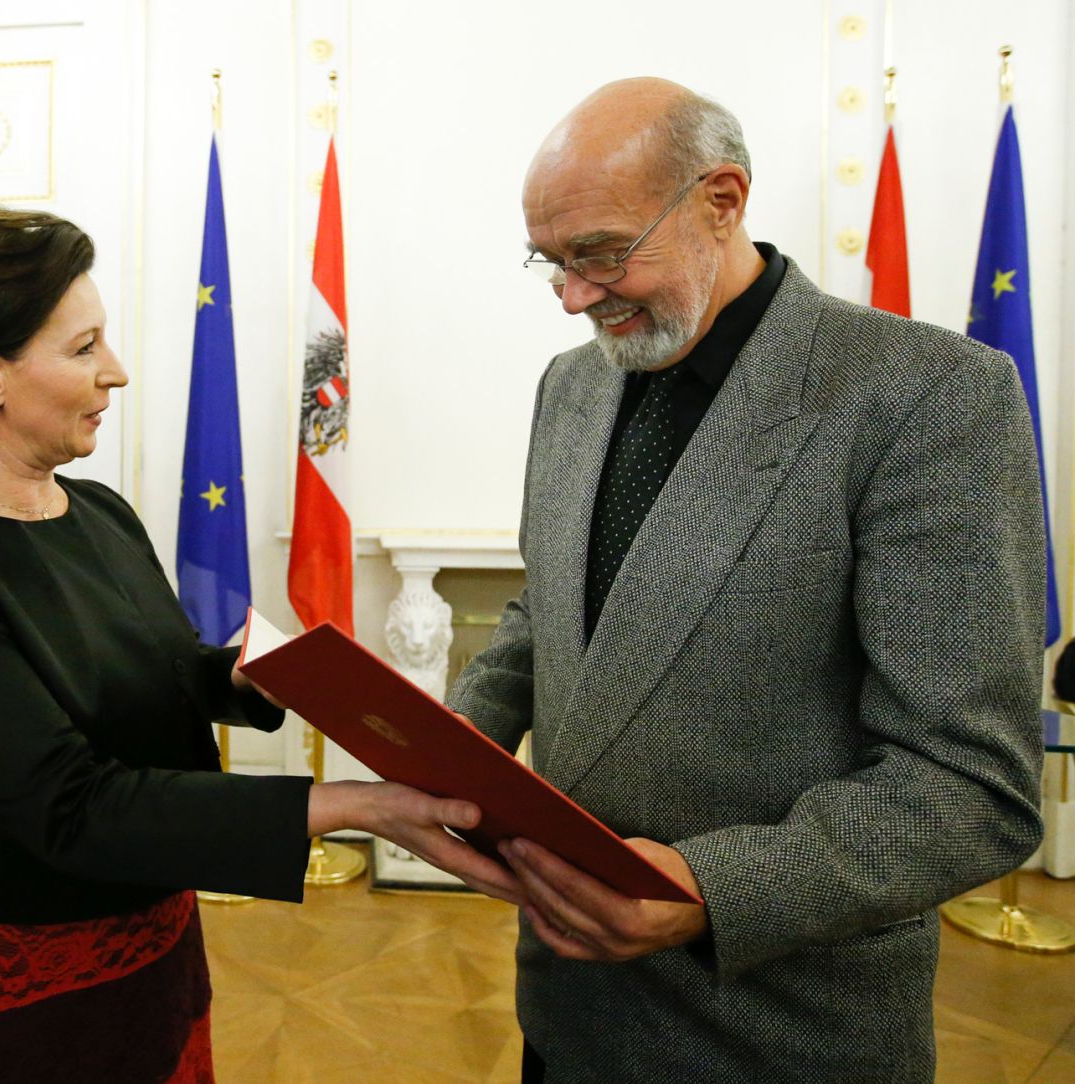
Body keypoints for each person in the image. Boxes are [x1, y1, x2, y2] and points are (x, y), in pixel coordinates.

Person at [447, 78, 1047, 1083]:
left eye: (598, 251)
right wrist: (453, 745)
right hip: (566, 1007)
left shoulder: (925, 396)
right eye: (549, 263)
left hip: (779, 1027)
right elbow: (547, 612)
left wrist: (710, 888)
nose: (572, 296)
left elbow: (969, 786)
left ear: (719, 199)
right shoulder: (571, 384)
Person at [0, 204, 510, 1083]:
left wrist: (269, 679)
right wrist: (353, 807)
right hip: (18, 982)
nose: (118, 373)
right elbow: (72, 808)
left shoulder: (98, 511)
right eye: (85, 347)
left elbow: (165, 673)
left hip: (153, 934)